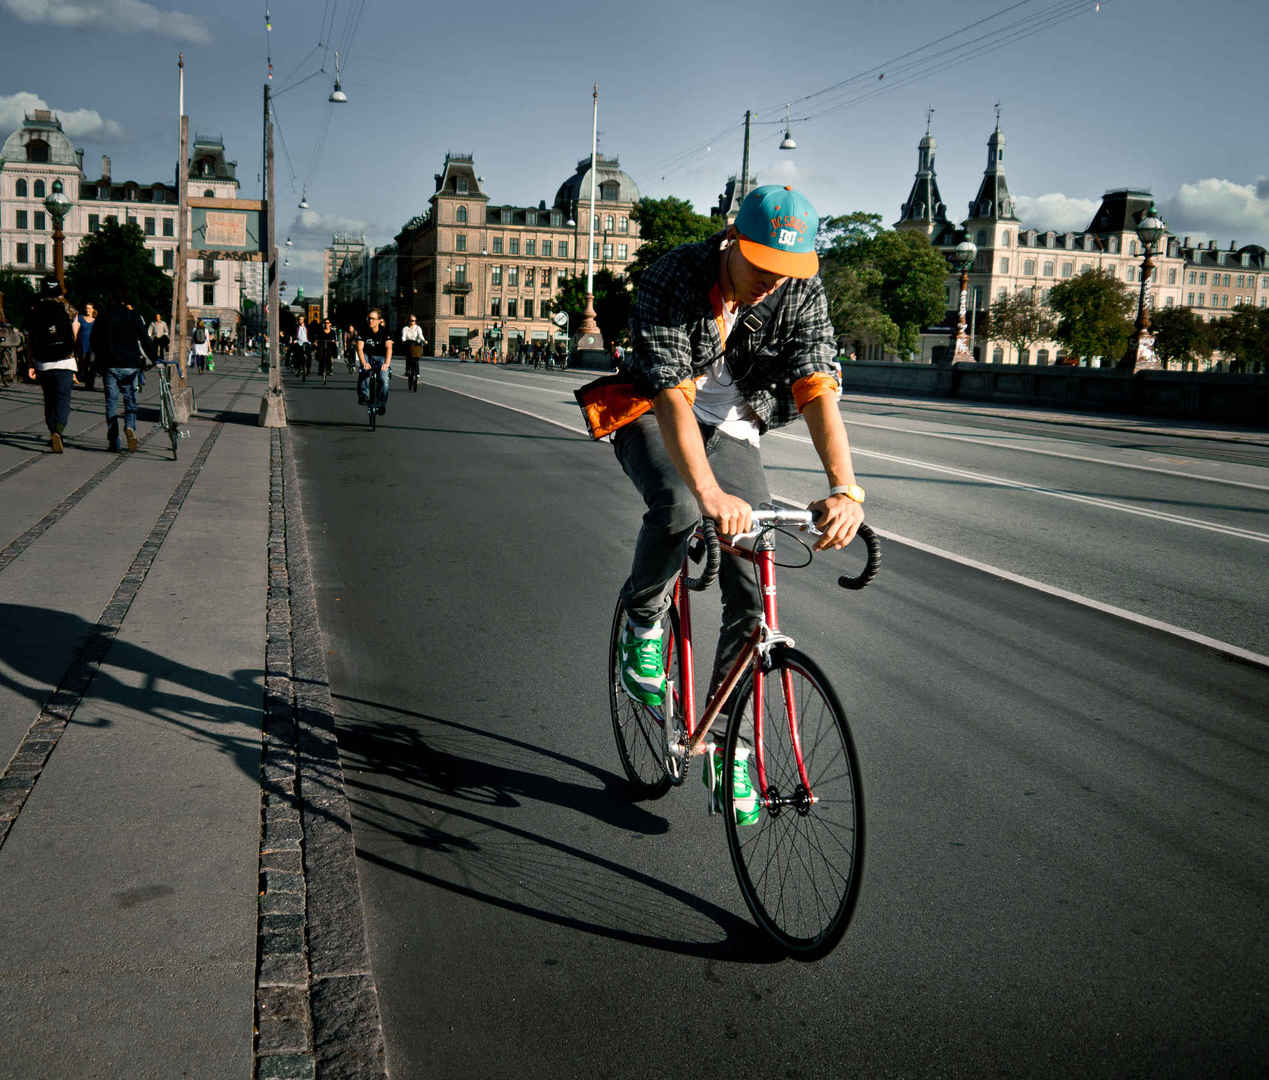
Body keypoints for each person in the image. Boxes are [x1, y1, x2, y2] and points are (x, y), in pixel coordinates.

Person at [611, 185, 865, 825]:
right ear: (731, 239)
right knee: (678, 505)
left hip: (733, 427)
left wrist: (846, 488)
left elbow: (816, 381)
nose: (770, 282)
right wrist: (709, 493)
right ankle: (643, 621)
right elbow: (670, 394)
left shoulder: (798, 289)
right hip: (654, 406)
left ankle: (729, 745)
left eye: (785, 271)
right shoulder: (676, 273)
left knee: (753, 588)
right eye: (759, 265)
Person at [25, 275, 79, 452]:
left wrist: (31, 364)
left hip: (43, 362)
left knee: (49, 399)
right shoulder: (68, 309)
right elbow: (75, 334)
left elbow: (30, 339)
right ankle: (59, 430)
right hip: (65, 362)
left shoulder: (35, 309)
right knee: (63, 399)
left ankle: (52, 430)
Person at [95, 289, 149, 452]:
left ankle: (114, 440)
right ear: (126, 301)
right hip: (130, 364)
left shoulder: (104, 316)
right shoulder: (133, 316)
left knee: (111, 402)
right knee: (130, 398)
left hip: (110, 365)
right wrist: (154, 357)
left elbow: (95, 339)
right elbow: (145, 338)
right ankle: (130, 427)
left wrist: (98, 360)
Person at [356, 308, 392, 414]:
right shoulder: (363, 330)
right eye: (369, 318)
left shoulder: (385, 331)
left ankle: (381, 404)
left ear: (379, 320)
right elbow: (359, 348)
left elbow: (389, 348)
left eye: (372, 319)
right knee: (364, 371)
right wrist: (364, 363)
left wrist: (386, 364)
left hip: (381, 357)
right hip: (367, 356)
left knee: (384, 379)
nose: (370, 321)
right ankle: (364, 395)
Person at [74, 301, 99, 391]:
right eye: (86, 308)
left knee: (92, 364)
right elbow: (75, 333)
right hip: (82, 345)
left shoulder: (97, 320)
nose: (87, 310)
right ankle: (85, 380)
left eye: (89, 308)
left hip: (93, 346)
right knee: (83, 364)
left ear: (93, 309)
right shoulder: (80, 318)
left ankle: (90, 384)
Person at [400, 313, 426, 391]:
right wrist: (403, 340)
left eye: (414, 321)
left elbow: (420, 335)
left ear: (415, 321)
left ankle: (417, 373)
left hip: (416, 344)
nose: (412, 322)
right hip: (408, 343)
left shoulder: (418, 328)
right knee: (408, 358)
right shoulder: (405, 328)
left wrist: (424, 341)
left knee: (416, 359)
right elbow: (403, 336)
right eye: (411, 320)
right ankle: (407, 370)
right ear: (408, 321)